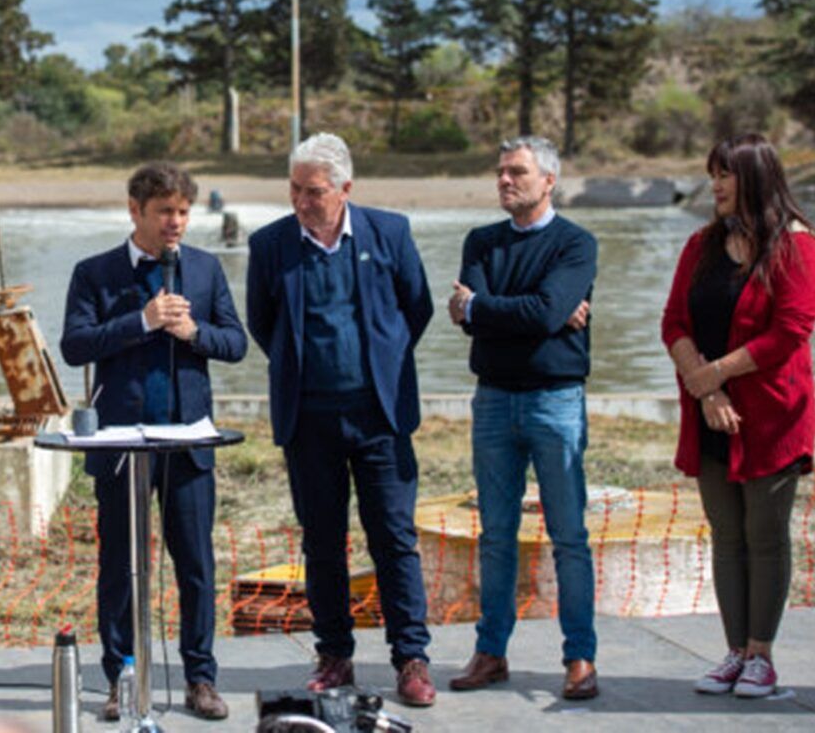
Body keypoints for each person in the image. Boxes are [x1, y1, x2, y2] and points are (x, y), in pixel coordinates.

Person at [245, 134, 436, 708]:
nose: (302, 201)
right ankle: (334, 655)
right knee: (322, 543)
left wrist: (379, 363)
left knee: (394, 539)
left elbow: (417, 307)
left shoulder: (390, 232)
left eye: (315, 192)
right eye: (295, 190)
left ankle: (411, 658)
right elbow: (264, 324)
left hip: (380, 418)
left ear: (345, 189)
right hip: (309, 422)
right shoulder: (270, 244)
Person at [59, 162, 248, 721]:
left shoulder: (206, 269)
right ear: (135, 210)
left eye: (184, 212)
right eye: (165, 211)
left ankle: (200, 678)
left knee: (195, 564)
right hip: (120, 444)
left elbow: (236, 343)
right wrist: (140, 321)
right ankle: (120, 677)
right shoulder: (94, 273)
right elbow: (74, 345)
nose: (176, 222)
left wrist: (195, 333)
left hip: (188, 442)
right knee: (120, 565)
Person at [660, 134, 815, 698]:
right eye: (712, 175)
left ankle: (761, 656)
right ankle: (733, 653)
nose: (715, 185)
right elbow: (673, 322)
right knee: (727, 534)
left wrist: (717, 374)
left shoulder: (797, 246)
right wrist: (706, 389)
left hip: (774, 417)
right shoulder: (701, 245)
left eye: (724, 174)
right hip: (710, 416)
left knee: (765, 534)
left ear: (755, 177)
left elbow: (790, 332)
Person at [446, 136, 599, 701]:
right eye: (501, 171)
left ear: (548, 181)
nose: (505, 180)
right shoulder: (481, 241)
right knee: (495, 536)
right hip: (492, 400)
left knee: (569, 536)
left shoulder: (576, 244)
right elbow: (511, 315)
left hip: (556, 402)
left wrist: (490, 308)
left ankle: (580, 656)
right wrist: (534, 312)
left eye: (517, 172)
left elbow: (538, 312)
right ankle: (491, 651)